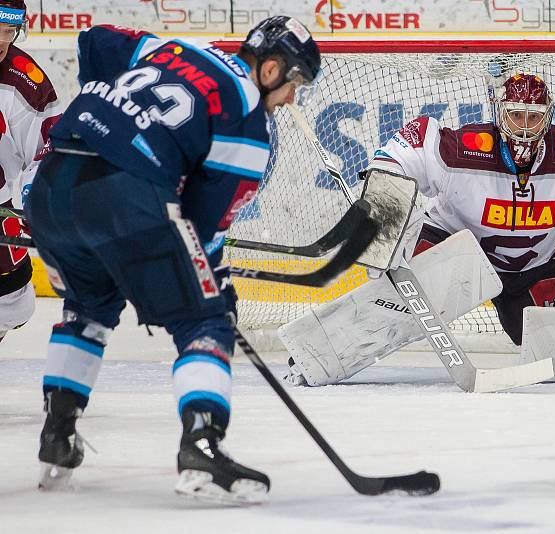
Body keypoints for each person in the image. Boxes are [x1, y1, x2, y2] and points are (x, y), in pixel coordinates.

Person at [25, 17, 320, 504]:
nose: (291, 100)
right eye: (294, 85)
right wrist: (217, 291)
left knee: (89, 307)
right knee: (205, 320)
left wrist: (111, 125)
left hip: (52, 184)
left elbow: (94, 41)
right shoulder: (249, 118)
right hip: (124, 198)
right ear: (270, 69)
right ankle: (202, 446)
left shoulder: (178, 47)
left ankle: (57, 437)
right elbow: (200, 232)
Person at [281, 72, 555, 387]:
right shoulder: (461, 149)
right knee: (404, 297)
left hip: (533, 270)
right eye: (515, 115)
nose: (524, 127)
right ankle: (319, 354)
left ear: (550, 117)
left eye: (534, 117)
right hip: (451, 247)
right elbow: (404, 152)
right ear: (498, 113)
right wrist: (383, 217)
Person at [0, 0, 60, 344]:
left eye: (9, 31)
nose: (2, 41)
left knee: (10, 297)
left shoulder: (25, 80)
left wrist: (35, 197)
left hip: (2, 205)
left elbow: (48, 151)